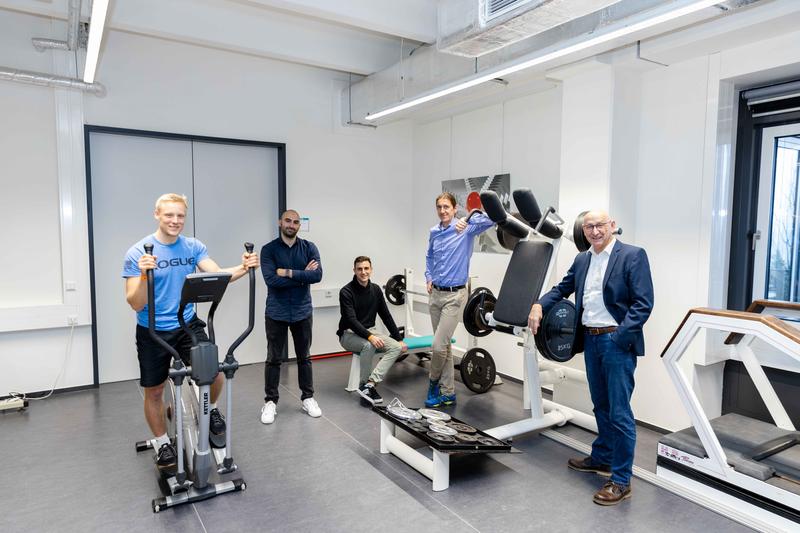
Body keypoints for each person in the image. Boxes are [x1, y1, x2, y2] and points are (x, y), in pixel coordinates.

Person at [123, 193, 259, 470]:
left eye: (180, 216)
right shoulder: (138, 252)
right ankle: (162, 444)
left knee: (216, 373)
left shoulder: (192, 246)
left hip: (186, 323)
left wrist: (244, 267)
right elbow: (135, 302)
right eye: (169, 215)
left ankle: (211, 408)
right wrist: (142, 274)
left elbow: (219, 274)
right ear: (157, 215)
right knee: (155, 391)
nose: (175, 221)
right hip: (153, 329)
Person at [528, 210, 654, 506]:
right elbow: (563, 288)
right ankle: (603, 458)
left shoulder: (633, 255)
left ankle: (621, 480)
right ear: (583, 232)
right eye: (589, 227)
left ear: (612, 226)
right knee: (600, 404)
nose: (595, 231)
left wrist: (620, 337)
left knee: (619, 411)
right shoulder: (583, 259)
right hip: (591, 339)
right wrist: (538, 305)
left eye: (600, 225)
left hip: (615, 341)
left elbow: (643, 303)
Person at [424, 192, 494, 407]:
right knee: (443, 347)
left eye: (447, 207)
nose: (443, 211)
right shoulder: (434, 231)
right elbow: (429, 256)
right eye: (439, 207)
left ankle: (433, 382)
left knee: (437, 346)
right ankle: (448, 392)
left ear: (454, 209)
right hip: (435, 294)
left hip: (455, 296)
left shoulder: (465, 229)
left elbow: (491, 219)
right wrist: (428, 276)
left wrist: (468, 218)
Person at [259, 209, 323, 424]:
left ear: (298, 226)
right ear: (280, 222)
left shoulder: (309, 248)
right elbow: (270, 280)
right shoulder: (268, 250)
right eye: (288, 220)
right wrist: (302, 276)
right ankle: (270, 402)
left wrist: (287, 272)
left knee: (304, 357)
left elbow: (317, 275)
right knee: (273, 358)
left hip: (302, 311)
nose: (292, 224)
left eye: (296, 222)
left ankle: (308, 397)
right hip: (276, 312)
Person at [337, 256, 408, 405]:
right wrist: (370, 337)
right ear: (354, 271)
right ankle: (363, 384)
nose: (363, 272)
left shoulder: (375, 290)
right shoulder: (346, 292)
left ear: (371, 270)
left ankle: (370, 384)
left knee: (396, 347)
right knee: (368, 345)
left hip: (370, 331)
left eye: (366, 268)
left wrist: (399, 338)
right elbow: (352, 320)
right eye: (360, 269)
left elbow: (386, 316)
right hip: (348, 334)